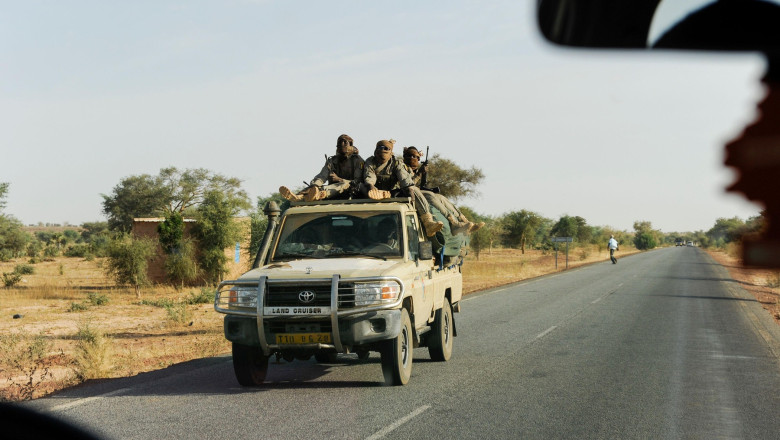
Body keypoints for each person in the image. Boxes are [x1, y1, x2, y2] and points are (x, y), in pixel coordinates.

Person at [361, 139, 444, 236]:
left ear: (391, 152)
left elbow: (404, 179)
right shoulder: (370, 161)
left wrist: (409, 188)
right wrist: (371, 185)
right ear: (375, 150)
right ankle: (379, 194)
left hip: (393, 193)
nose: (382, 150)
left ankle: (428, 222)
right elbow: (369, 176)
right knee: (362, 186)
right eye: (380, 148)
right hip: (372, 192)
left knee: (414, 189)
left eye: (386, 148)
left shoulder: (396, 163)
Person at [402, 146, 484, 234]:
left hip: (416, 193)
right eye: (409, 156)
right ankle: (454, 223)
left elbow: (422, 186)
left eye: (414, 157)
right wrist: (419, 174)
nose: (412, 158)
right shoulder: (402, 168)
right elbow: (408, 185)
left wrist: (422, 174)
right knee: (429, 195)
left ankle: (464, 221)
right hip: (405, 193)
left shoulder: (415, 170)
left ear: (418, 158)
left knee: (440, 198)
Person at [280, 134, 364, 202]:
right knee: (315, 187)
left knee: (344, 184)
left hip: (351, 190)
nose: (342, 145)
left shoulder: (357, 160)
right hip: (331, 190)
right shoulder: (332, 161)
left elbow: (358, 181)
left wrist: (339, 179)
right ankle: (299, 197)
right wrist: (314, 185)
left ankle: (320, 194)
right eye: (340, 143)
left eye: (345, 143)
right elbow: (322, 176)